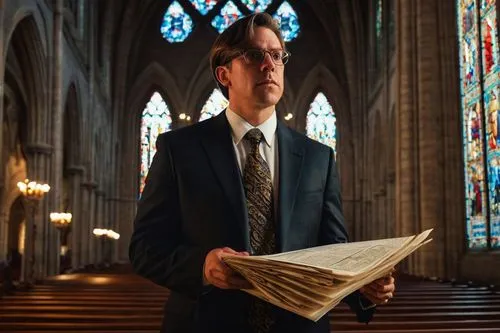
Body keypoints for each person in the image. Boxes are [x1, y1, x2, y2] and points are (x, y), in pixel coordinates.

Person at [129, 12, 395, 333]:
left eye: (277, 55)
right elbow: (145, 248)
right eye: (255, 55)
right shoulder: (179, 149)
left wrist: (363, 289)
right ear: (225, 75)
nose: (269, 65)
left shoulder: (318, 157)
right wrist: (202, 266)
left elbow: (332, 250)